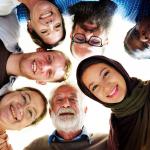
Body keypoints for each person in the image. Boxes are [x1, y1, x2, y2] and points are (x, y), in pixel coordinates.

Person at [77, 55, 150, 150]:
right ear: (94, 97)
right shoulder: (115, 129)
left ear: (118, 68)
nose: (106, 87)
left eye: (105, 74)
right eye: (95, 87)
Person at [24, 84, 108, 150]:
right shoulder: (36, 146)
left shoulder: (108, 141)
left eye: (73, 99)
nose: (65, 104)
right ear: (50, 112)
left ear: (84, 110)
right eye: (59, 100)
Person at [0, 39, 71, 95]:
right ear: (40, 50)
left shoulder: (3, 97)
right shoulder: (9, 29)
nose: (44, 66)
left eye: (49, 73)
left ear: (41, 82)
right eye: (49, 59)